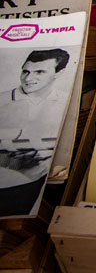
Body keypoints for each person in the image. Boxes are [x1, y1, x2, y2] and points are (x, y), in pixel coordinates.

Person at [0, 48, 71, 217]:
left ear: (59, 73)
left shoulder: (66, 101)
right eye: (25, 71)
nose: (28, 79)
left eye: (39, 72)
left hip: (42, 185)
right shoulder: (2, 100)